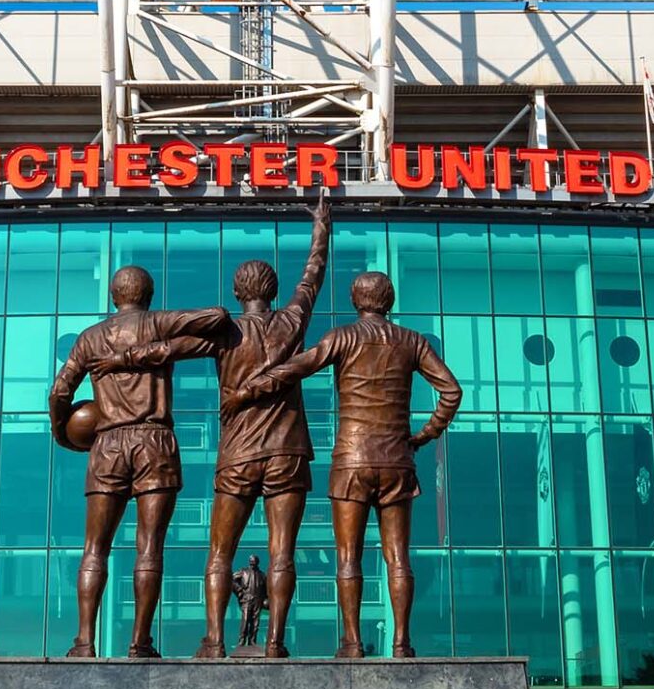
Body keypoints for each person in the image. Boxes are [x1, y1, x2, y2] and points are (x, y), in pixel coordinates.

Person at [84, 199, 333, 657]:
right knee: (282, 553)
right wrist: (322, 231)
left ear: (239, 293)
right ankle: (275, 642)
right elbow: (311, 278)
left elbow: (166, 350)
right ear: (272, 292)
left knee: (220, 552)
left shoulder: (226, 334)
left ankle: (215, 641)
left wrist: (119, 358)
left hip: (238, 453)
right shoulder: (291, 321)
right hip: (287, 451)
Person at [228, 270, 461, 657]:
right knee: (398, 556)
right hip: (397, 460)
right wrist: (424, 434)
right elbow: (451, 391)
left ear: (356, 301)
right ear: (390, 301)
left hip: (352, 459)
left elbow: (298, 366)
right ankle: (402, 643)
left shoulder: (343, 337)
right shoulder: (412, 341)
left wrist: (250, 388)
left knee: (348, 556)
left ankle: (352, 642)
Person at [48, 267, 228, 658]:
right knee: (149, 547)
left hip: (108, 443)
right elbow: (217, 316)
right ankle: (140, 641)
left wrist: (62, 433)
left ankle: (84, 641)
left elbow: (60, 391)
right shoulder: (157, 323)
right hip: (154, 440)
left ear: (114, 296)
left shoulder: (90, 338)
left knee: (95, 547)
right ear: (147, 295)